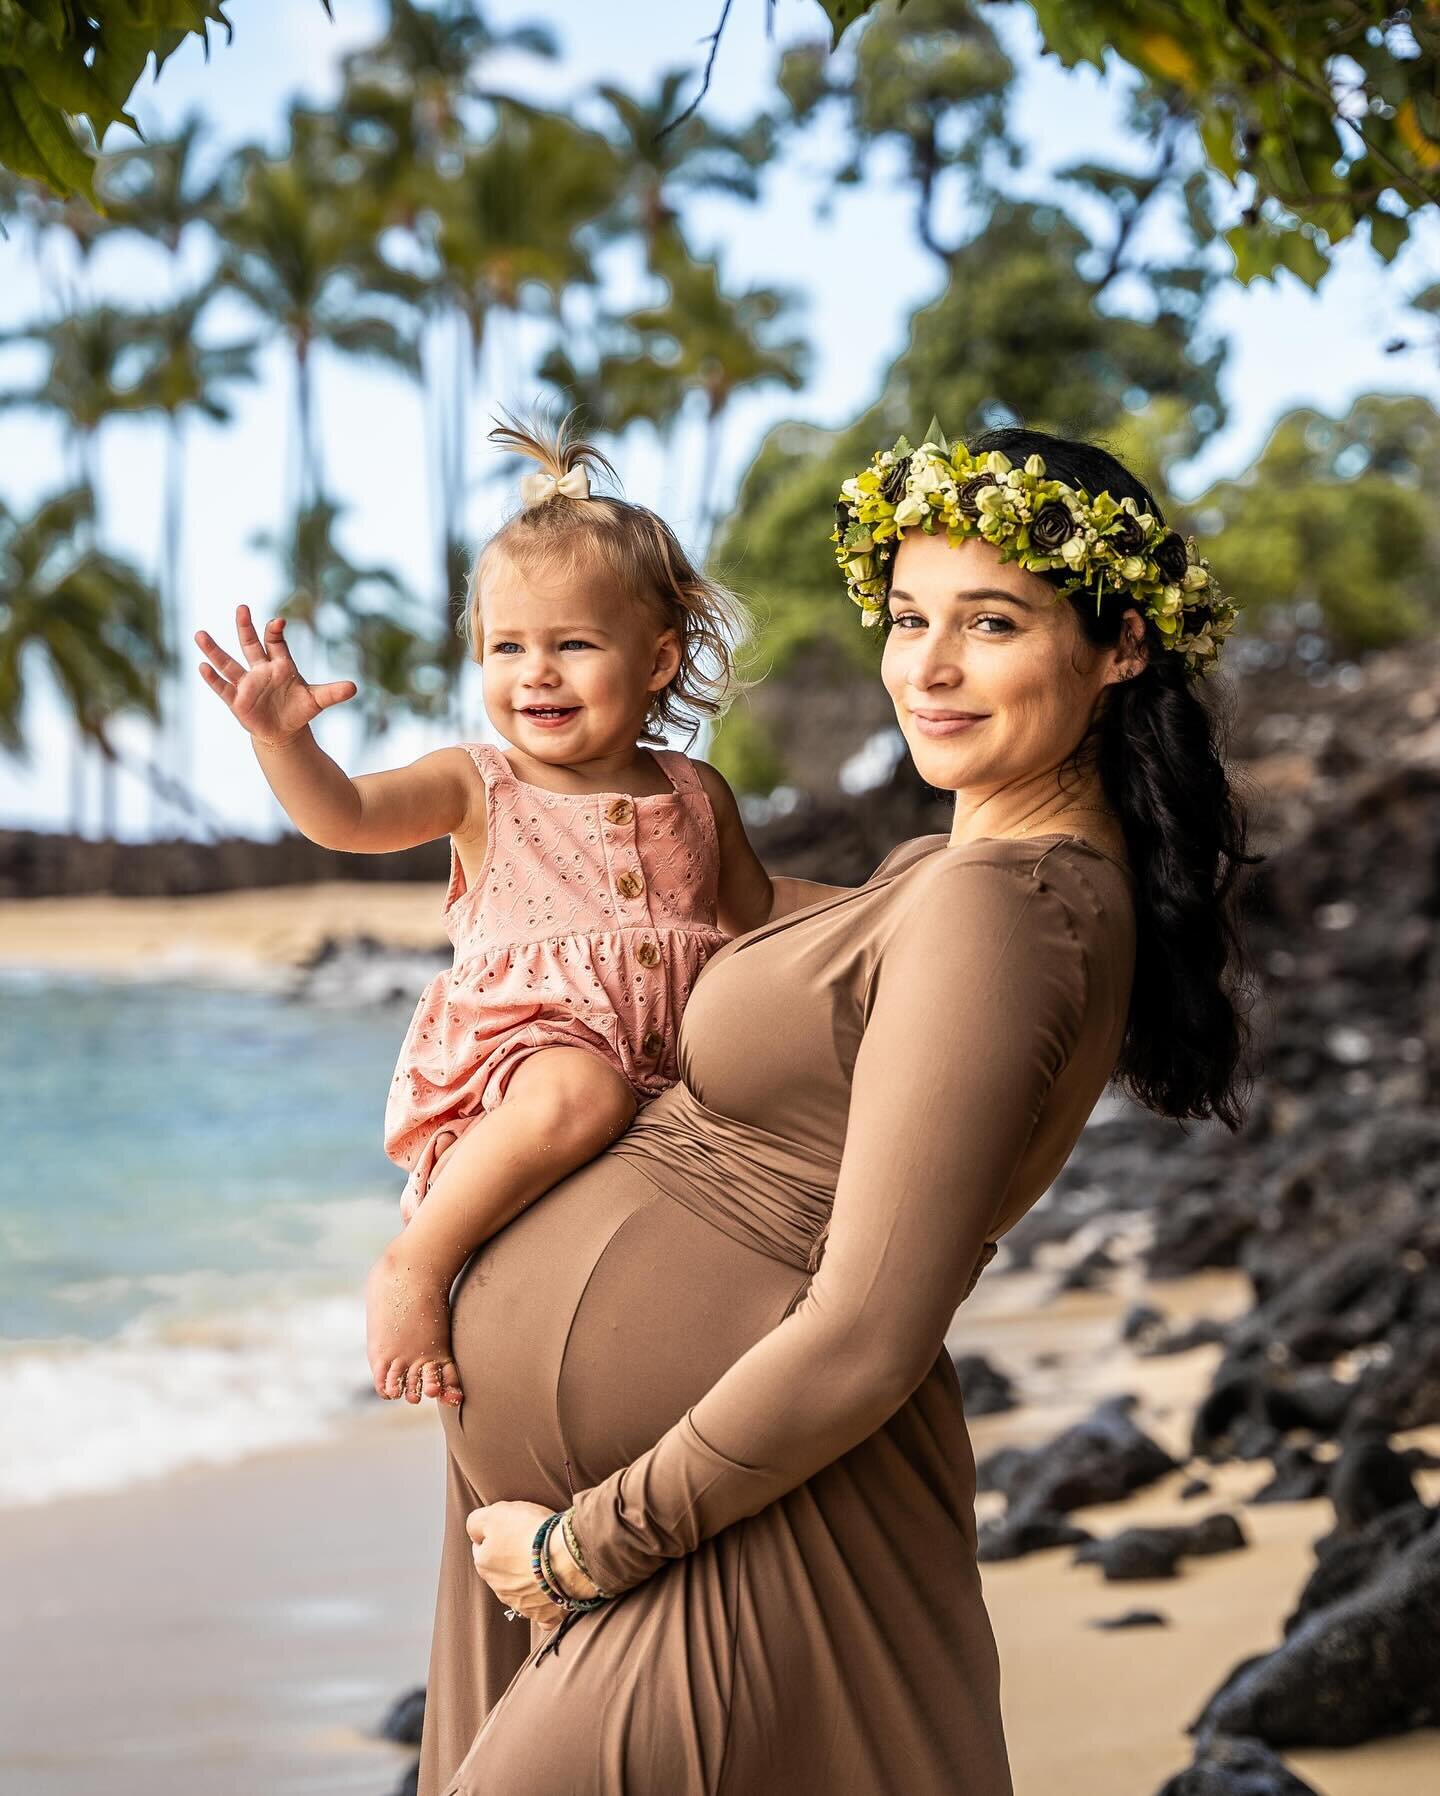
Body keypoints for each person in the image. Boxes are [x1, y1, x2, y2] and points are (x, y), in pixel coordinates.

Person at [428, 422, 1254, 1796]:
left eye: (989, 624)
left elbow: (870, 1329)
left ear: (1118, 646)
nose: (925, 669)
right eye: (910, 615)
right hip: (649, 1513)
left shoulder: (1005, 905)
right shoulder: (946, 876)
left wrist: (584, 1548)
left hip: (728, 1531)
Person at [194, 413, 788, 1406]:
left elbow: (761, 930)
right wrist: (284, 744)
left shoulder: (696, 792)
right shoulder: (478, 784)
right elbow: (344, 816)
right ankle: (415, 1265)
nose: (534, 672)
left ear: (657, 661)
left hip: (668, 1070)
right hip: (527, 1064)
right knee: (580, 1093)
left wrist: (887, 908)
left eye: (572, 643)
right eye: (506, 646)